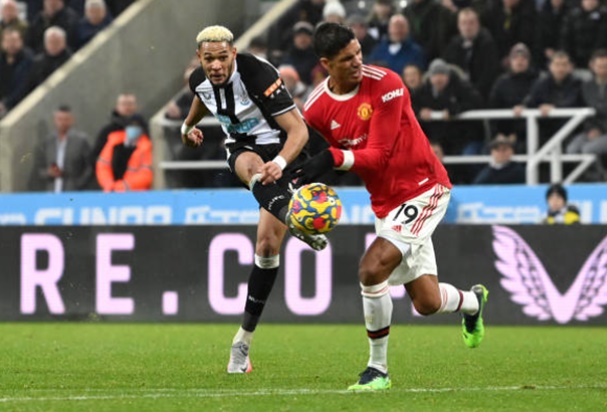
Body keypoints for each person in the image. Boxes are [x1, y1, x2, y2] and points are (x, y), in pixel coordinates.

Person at [299, 22, 488, 390]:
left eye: (357, 53)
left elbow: (378, 156)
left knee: (371, 270)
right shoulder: (317, 108)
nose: (357, 62)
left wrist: (331, 158)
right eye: (346, 59)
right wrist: (302, 178)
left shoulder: (387, 84)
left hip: (425, 188)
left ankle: (377, 370)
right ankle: (472, 303)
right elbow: (320, 159)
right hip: (386, 204)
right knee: (427, 302)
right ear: (326, 64)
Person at [179, 25, 328, 374]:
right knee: (252, 169)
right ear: (199, 59)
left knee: (265, 247)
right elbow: (203, 97)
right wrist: (187, 128)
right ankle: (294, 217)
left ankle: (242, 342)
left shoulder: (258, 74)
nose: (215, 66)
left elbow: (299, 131)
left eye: (221, 57)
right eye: (208, 59)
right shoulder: (199, 80)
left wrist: (280, 163)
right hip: (245, 150)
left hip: (285, 150)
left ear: (233, 54)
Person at [32, 105, 92, 192]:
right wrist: (48, 173)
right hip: (52, 192)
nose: (62, 123)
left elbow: (90, 166)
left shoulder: (81, 141)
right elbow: (39, 168)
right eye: (59, 119)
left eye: (66, 119)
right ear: (54, 120)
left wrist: (79, 183)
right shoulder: (48, 142)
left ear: (72, 120)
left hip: (74, 193)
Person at [96, 113, 153, 191]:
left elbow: (146, 174)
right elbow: (102, 165)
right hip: (111, 191)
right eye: (130, 125)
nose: (133, 128)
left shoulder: (146, 147)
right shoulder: (114, 142)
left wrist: (123, 186)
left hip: (135, 194)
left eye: (136, 126)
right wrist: (108, 183)